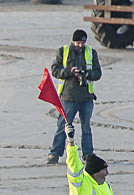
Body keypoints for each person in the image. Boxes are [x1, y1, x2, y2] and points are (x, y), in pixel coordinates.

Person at [47, 29, 102, 165]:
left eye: (82, 42)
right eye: (78, 42)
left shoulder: (91, 52)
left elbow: (98, 73)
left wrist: (87, 74)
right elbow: (55, 70)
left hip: (86, 98)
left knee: (86, 128)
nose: (80, 45)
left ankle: (88, 154)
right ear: (73, 41)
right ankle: (54, 153)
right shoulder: (63, 51)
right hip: (68, 97)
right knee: (62, 126)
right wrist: (69, 72)